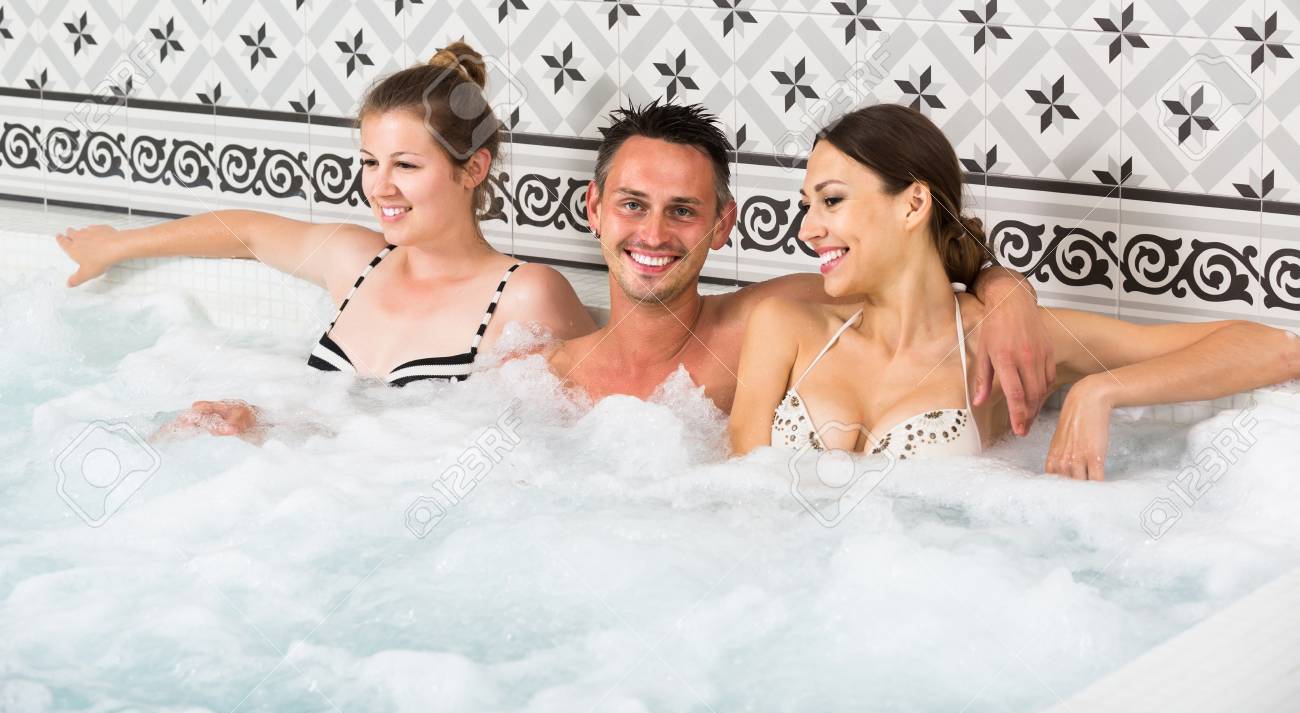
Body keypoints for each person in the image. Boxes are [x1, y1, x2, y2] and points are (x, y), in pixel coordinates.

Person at [728, 104, 1300, 480]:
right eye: (807, 205)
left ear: (913, 204)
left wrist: (1099, 390)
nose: (807, 229)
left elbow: (1277, 350)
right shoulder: (786, 328)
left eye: (831, 200)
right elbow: (737, 501)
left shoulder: (1004, 344)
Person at [56, 42, 595, 433]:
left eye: (406, 165)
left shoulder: (525, 295)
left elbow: (584, 431)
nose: (380, 187)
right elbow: (246, 233)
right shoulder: (357, 261)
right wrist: (117, 246)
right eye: (370, 162)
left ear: (473, 168)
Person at [546, 101, 1055, 430]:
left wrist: (1006, 293)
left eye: (682, 211)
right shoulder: (543, 382)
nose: (654, 234)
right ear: (594, 208)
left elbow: (921, 288)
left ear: (722, 225)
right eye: (632, 204)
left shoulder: (777, 316)